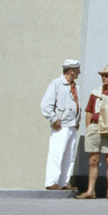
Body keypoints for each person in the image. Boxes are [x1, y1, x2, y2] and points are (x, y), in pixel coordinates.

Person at [76, 65, 108, 200]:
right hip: (95, 127)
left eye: (107, 75)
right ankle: (90, 191)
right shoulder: (95, 93)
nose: (104, 78)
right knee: (93, 160)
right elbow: (89, 111)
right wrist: (89, 127)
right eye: (102, 75)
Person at [40, 59, 81, 191]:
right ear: (71, 71)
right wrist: (53, 119)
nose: (79, 72)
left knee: (70, 155)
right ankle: (52, 182)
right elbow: (46, 104)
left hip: (72, 125)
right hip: (61, 125)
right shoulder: (56, 84)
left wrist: (77, 121)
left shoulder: (75, 87)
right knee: (57, 153)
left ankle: (64, 182)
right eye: (77, 70)